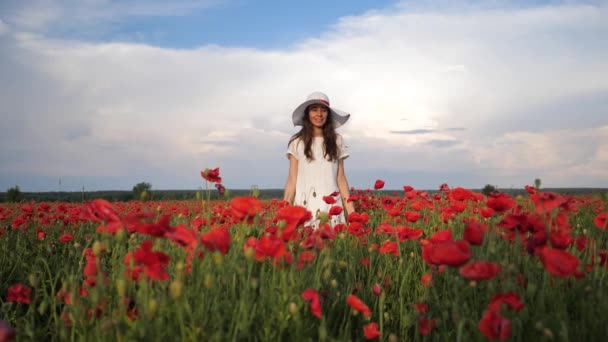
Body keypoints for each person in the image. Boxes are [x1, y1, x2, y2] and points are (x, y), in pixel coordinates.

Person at [283, 91, 356, 227]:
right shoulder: (297, 142)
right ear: (307, 113)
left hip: (332, 208)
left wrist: (351, 212)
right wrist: (284, 209)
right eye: (314, 110)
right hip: (305, 207)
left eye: (323, 110)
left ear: (328, 114)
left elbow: (340, 178)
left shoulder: (337, 140)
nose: (319, 114)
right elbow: (292, 179)